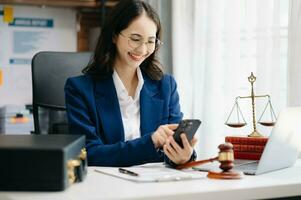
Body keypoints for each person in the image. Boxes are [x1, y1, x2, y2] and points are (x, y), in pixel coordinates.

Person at [64, 0, 197, 167]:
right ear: (114, 35)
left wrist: (185, 155)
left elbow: (171, 148)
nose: (142, 50)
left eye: (150, 41)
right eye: (135, 39)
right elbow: (89, 153)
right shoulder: (80, 89)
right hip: (106, 186)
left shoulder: (166, 86)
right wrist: (151, 142)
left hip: (157, 186)